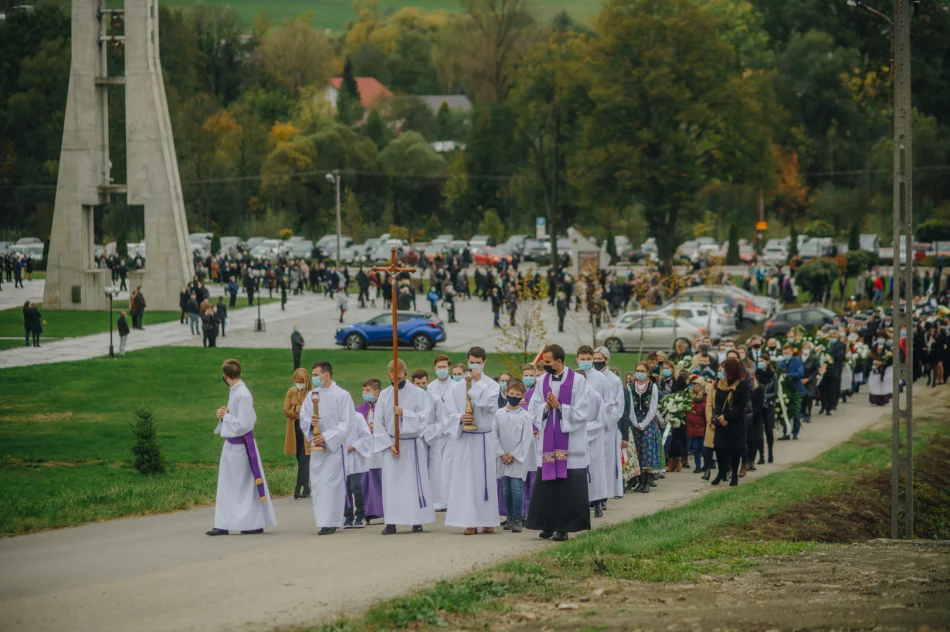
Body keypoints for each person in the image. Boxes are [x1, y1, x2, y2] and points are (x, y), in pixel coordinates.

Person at [525, 344, 592, 542]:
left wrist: (560, 407)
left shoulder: (578, 381)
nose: (544, 365)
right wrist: (546, 407)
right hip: (547, 440)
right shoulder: (542, 381)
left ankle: (564, 527)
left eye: (547, 362)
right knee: (547, 484)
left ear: (559, 361)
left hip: (569, 443)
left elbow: (583, 411)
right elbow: (533, 406)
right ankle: (547, 524)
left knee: (566, 487)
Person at [207, 359, 278, 536]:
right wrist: (227, 414)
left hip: (241, 448)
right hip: (232, 446)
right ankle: (224, 522)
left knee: (244, 486)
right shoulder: (235, 391)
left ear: (225, 376)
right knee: (228, 485)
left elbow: (246, 423)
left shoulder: (242, 394)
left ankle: (251, 523)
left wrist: (227, 417)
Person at [444, 346, 502, 535]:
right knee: (467, 481)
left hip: (483, 437)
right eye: (472, 362)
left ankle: (488, 520)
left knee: (485, 480)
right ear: (467, 361)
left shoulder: (492, 385)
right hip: (465, 438)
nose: (475, 365)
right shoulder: (456, 387)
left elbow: (489, 405)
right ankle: (469, 520)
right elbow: (447, 413)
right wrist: (459, 418)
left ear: (484, 362)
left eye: (478, 362)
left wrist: (477, 383)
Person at [373, 359, 435, 535]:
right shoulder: (384, 395)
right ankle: (392, 522)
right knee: (392, 485)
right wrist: (388, 443)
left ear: (406, 375)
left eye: (399, 379)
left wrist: (404, 414)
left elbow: (424, 418)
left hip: (411, 444)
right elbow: (378, 423)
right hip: (392, 445)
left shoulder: (418, 393)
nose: (396, 382)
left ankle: (417, 520)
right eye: (393, 379)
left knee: (413, 484)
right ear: (388, 376)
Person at [298, 361, 355, 536]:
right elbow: (304, 416)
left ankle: (330, 522)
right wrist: (310, 424)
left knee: (330, 484)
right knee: (318, 484)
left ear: (326, 375)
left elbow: (346, 424)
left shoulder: (342, 395)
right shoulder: (312, 395)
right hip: (317, 446)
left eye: (316, 375)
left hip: (334, 448)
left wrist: (327, 436)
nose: (313, 378)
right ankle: (324, 519)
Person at [494, 379, 534, 533]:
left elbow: (526, 439)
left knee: (517, 487)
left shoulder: (525, 416)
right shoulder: (498, 414)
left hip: (518, 458)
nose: (514, 396)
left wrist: (514, 455)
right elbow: (494, 435)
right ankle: (510, 516)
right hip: (502, 457)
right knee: (506, 488)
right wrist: (502, 454)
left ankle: (518, 517)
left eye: (518, 394)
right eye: (511, 394)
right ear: (506, 394)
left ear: (522, 396)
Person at [711, 358, 750, 487]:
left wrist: (727, 418)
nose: (722, 370)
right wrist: (719, 417)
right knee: (719, 447)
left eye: (725, 368)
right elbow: (717, 402)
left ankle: (734, 476)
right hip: (721, 422)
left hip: (735, 423)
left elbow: (740, 407)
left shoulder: (742, 385)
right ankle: (721, 472)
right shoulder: (721, 384)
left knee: (735, 450)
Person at [343, 388, 373, 529]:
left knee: (356, 486)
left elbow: (366, 437)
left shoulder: (358, 417)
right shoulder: (337, 419)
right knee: (344, 488)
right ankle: (348, 516)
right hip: (341, 458)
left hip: (355, 457)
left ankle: (360, 514)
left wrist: (352, 447)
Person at [356, 379, 385, 524]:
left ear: (377, 392)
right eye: (363, 390)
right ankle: (367, 511)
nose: (364, 393)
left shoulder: (385, 407)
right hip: (366, 450)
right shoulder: (359, 410)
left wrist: (377, 427)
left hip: (381, 449)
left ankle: (384, 510)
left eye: (367, 390)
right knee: (366, 481)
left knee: (381, 480)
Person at [629, 363, 661, 493]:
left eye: (642, 371)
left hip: (648, 420)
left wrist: (644, 423)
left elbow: (653, 407)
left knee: (647, 450)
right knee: (637, 450)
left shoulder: (652, 387)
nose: (639, 373)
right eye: (637, 370)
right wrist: (635, 422)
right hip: (635, 419)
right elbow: (630, 406)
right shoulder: (630, 386)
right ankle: (639, 480)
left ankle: (647, 480)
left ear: (647, 372)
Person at [284, 368, 311, 500]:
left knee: (304, 459)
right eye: (297, 381)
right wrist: (297, 410)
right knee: (298, 457)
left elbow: (311, 411)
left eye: (301, 381)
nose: (299, 384)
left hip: (307, 429)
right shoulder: (291, 392)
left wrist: (295, 409)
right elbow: (286, 410)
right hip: (295, 428)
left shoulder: (312, 393)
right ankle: (306, 487)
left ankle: (298, 487)